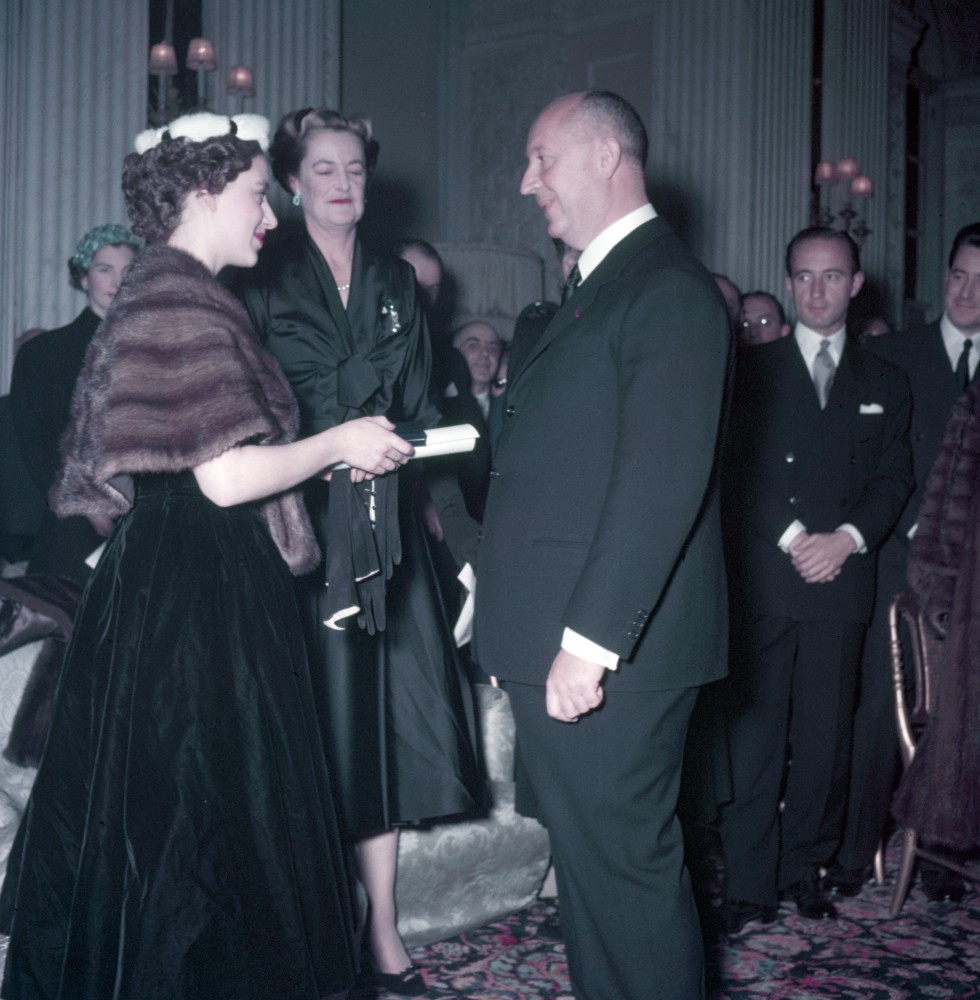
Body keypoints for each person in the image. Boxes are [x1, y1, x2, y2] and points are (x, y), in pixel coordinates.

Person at [0, 111, 415, 1000]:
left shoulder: (165, 292)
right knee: (207, 827)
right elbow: (225, 480)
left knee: (180, 824)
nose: (269, 216)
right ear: (199, 194)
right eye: (256, 196)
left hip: (171, 580)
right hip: (200, 590)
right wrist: (342, 441)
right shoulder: (182, 299)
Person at [474, 90, 731, 1000]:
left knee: (626, 881)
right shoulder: (598, 289)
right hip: (566, 631)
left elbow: (661, 481)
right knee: (595, 883)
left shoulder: (667, 289)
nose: (525, 180)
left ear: (607, 156)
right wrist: (489, 579)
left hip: (616, 650)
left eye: (542, 159)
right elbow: (558, 466)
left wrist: (589, 642)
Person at [241, 106, 482, 997]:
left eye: (356, 171)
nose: (345, 186)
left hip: (382, 524)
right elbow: (252, 405)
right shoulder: (260, 274)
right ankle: (309, 922)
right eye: (326, 170)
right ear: (291, 181)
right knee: (304, 738)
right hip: (293, 533)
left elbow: (418, 394)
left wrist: (399, 436)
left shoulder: (392, 277)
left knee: (376, 736)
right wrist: (335, 420)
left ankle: (381, 925)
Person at [719, 227, 914, 933]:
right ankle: (747, 882)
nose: (817, 290)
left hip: (842, 580)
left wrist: (849, 540)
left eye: (832, 276)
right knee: (758, 736)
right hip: (771, 574)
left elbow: (896, 476)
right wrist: (798, 538)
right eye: (803, 277)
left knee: (825, 739)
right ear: (789, 281)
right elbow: (737, 469)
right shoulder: (752, 370)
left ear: (857, 283)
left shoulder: (886, 379)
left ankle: (803, 869)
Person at [826, 221, 980, 902]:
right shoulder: (892, 353)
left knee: (957, 714)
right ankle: (858, 852)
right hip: (891, 559)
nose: (967, 293)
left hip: (968, 579)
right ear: (943, 276)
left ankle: (944, 856)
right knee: (876, 714)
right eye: (958, 276)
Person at [9, 223, 141, 584]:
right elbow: (37, 446)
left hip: (148, 518)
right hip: (73, 523)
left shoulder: (154, 352)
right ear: (84, 278)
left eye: (128, 271)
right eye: (104, 270)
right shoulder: (44, 354)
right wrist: (85, 502)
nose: (117, 281)